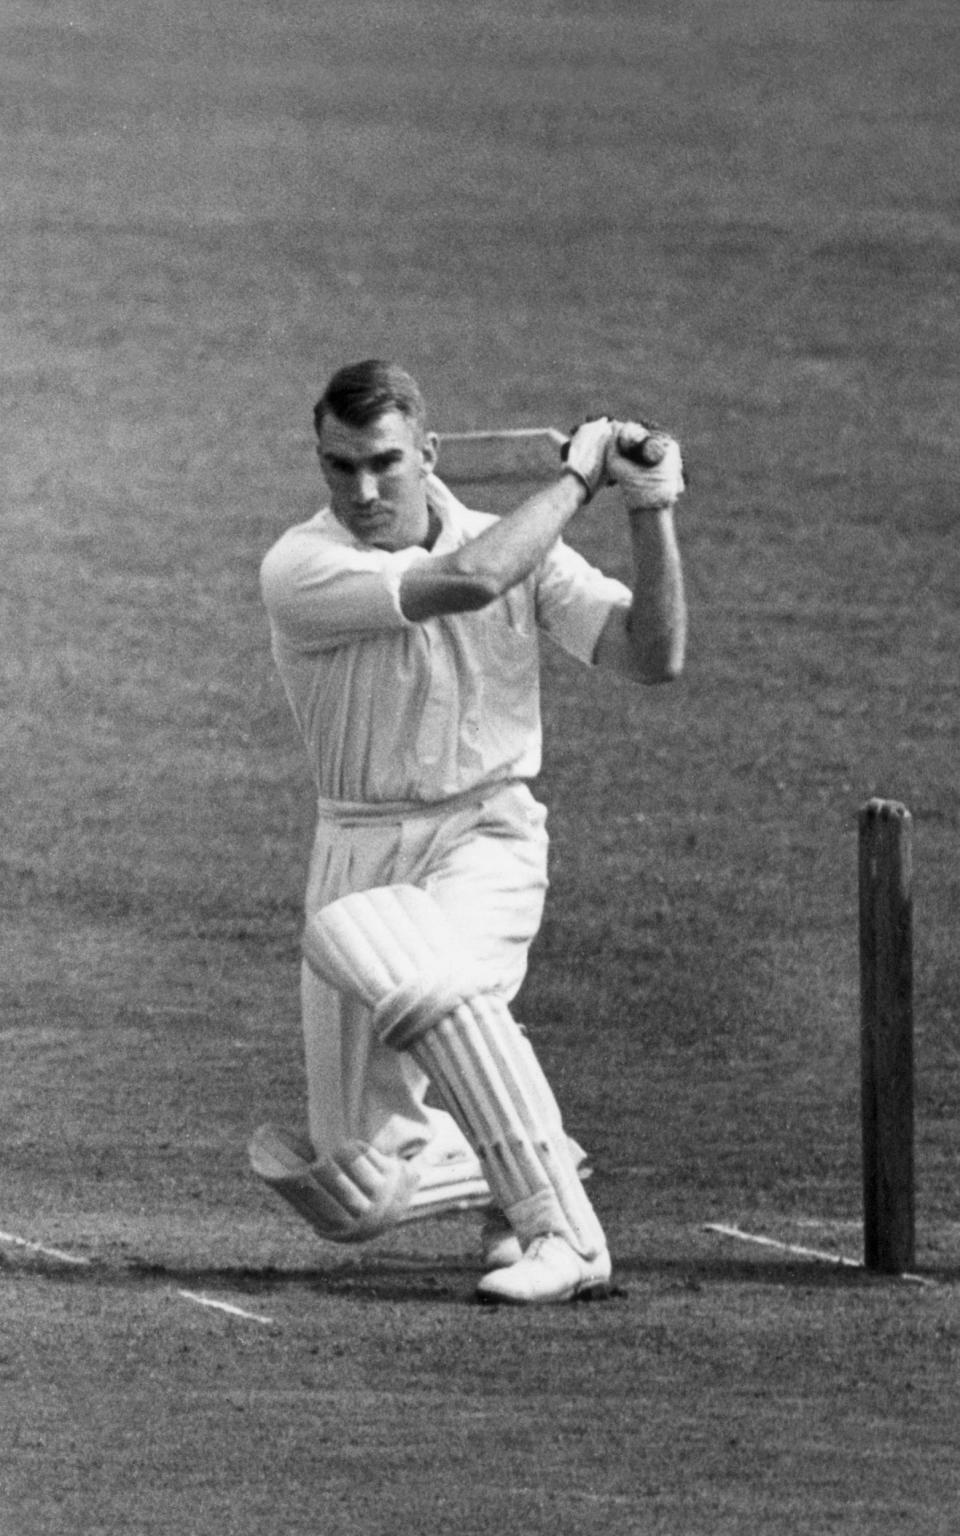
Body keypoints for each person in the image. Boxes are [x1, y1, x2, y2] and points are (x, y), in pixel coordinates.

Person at [250, 359, 687, 1304]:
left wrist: (649, 510)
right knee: (357, 1187)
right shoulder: (302, 566)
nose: (363, 490)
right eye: (341, 467)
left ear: (429, 453)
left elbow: (653, 656)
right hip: (357, 845)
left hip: (485, 836)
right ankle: (537, 1159)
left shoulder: (520, 543)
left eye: (385, 464)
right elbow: (470, 579)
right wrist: (579, 476)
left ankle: (566, 1238)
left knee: (428, 978)